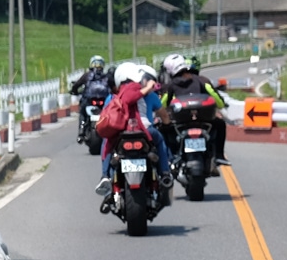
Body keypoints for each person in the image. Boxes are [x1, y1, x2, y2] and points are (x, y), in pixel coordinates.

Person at [96, 63, 172, 196]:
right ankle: (165, 172)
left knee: (107, 143)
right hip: (144, 129)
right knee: (160, 141)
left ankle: (105, 175)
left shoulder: (114, 96)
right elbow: (164, 115)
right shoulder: (139, 91)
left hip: (121, 131)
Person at [161, 54, 230, 165]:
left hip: (180, 121)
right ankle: (219, 155)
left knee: (162, 129)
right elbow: (218, 100)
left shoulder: (171, 85)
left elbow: (162, 105)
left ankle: (169, 158)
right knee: (220, 124)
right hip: (203, 119)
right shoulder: (202, 80)